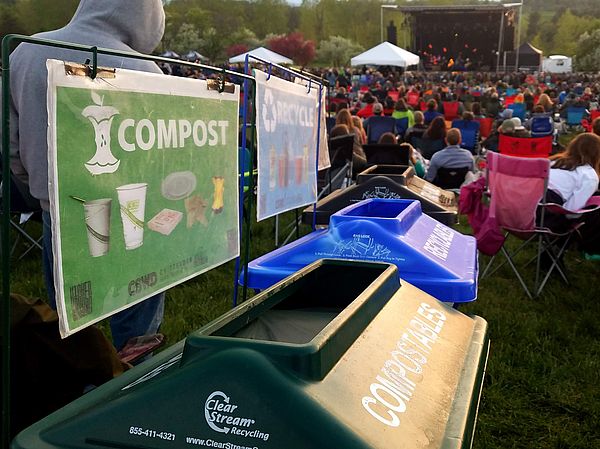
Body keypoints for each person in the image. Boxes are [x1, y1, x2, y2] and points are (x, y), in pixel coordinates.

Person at [5, 0, 166, 352]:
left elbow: (11, 142)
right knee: (137, 324)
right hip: (130, 214)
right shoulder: (147, 72)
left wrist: (39, 190)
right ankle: (133, 382)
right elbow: (158, 157)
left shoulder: (25, 53)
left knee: (72, 322)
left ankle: (81, 388)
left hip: (59, 210)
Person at [540, 133, 600, 256]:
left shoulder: (551, 163)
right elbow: (571, 212)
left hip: (517, 215)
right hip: (543, 221)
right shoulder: (588, 175)